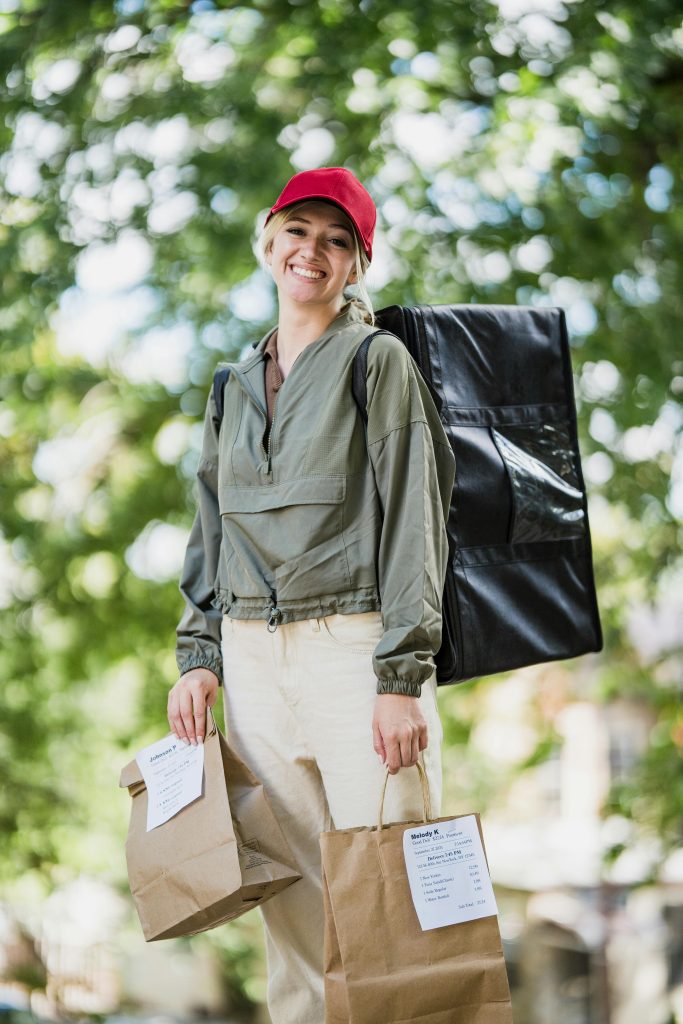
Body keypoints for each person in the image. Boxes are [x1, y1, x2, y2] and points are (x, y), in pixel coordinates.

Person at [167, 166, 455, 1024]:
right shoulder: (230, 384)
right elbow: (210, 527)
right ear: (269, 241)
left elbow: (414, 518)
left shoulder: (378, 361)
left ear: (357, 264)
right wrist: (198, 656)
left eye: (337, 240)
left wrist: (400, 676)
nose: (313, 251)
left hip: (356, 648)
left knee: (392, 891)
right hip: (254, 658)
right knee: (291, 908)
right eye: (299, 231)